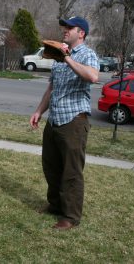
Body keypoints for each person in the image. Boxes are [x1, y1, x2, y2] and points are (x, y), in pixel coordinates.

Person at [29, 16, 99, 230]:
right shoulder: (58, 57)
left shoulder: (88, 54)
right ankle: (55, 205)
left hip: (74, 121)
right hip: (54, 120)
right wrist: (39, 111)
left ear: (82, 33)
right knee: (51, 166)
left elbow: (93, 77)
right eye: (65, 27)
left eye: (70, 28)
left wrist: (67, 58)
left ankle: (70, 217)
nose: (65, 30)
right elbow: (52, 89)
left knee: (71, 171)